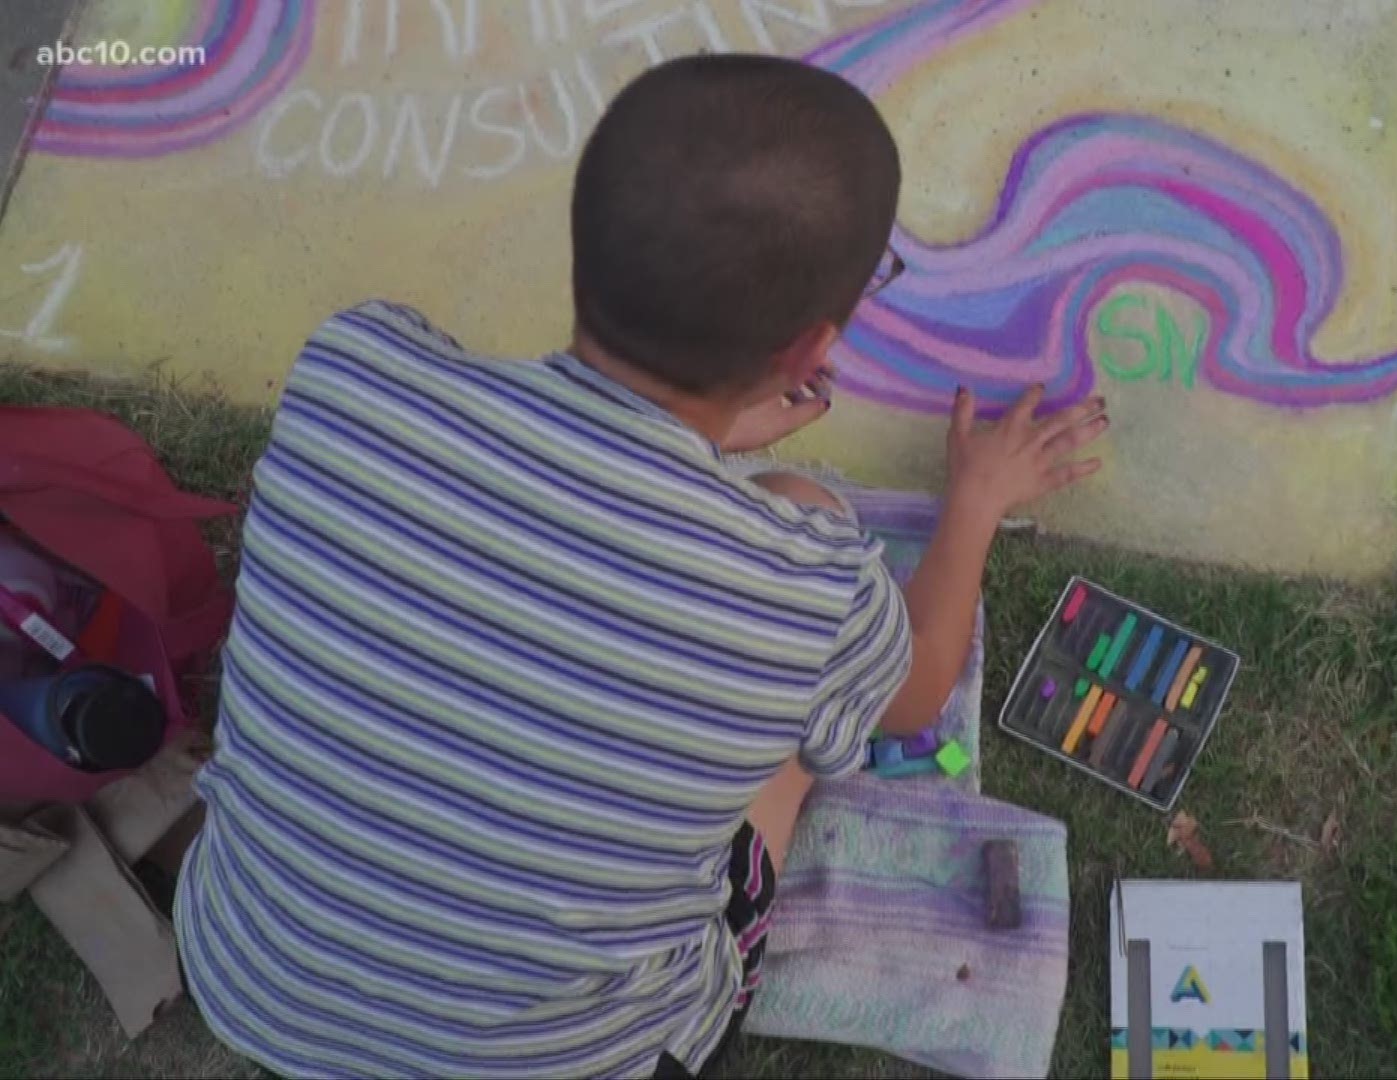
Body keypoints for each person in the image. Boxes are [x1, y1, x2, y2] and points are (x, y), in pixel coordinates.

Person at [171, 53, 1107, 1079]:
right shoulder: (797, 589)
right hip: (568, 1061)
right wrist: (973, 496)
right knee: (794, 723)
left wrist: (695, 428)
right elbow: (921, 685)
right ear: (812, 350)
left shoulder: (351, 373)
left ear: (584, 233)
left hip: (251, 982)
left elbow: (538, 481)